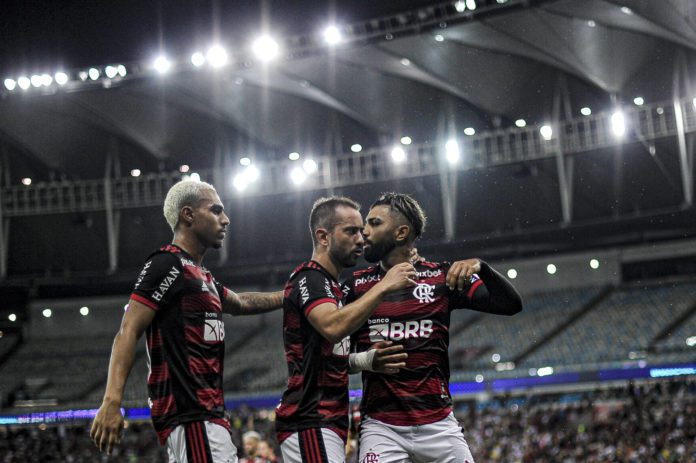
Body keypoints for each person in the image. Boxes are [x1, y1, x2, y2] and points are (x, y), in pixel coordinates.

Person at [90, 180, 284, 463]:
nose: (226, 220)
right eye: (216, 211)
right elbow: (128, 330)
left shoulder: (201, 274)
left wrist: (290, 296)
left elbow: (241, 303)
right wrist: (111, 402)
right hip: (191, 415)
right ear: (188, 215)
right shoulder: (167, 264)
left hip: (208, 416)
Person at [343, 193, 523, 463]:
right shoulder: (355, 286)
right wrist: (366, 360)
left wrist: (483, 268)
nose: (364, 231)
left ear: (402, 232)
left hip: (438, 424)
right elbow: (325, 357)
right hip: (381, 427)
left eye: (374, 223)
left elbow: (510, 304)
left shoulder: (441, 276)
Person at [275, 196, 416, 463]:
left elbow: (333, 356)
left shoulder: (334, 288)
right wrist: (384, 285)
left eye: (361, 231)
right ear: (323, 237)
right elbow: (332, 327)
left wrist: (367, 360)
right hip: (309, 418)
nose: (361, 239)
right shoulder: (310, 278)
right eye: (350, 231)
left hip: (328, 420)